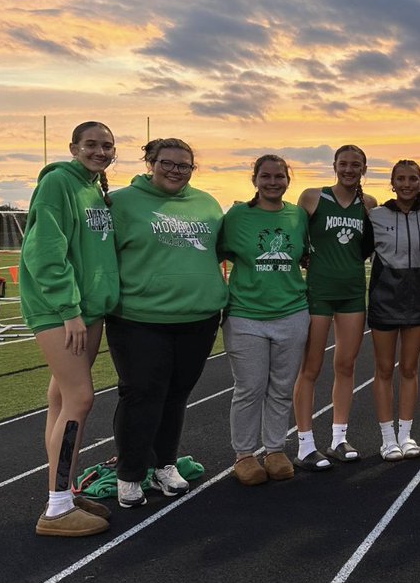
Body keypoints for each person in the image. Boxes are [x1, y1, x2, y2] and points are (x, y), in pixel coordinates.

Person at [107, 138, 226, 508]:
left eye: (183, 166)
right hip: (139, 319)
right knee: (142, 394)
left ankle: (165, 465)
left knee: (176, 395)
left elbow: (221, 250)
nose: (175, 171)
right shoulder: (121, 202)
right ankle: (129, 473)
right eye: (167, 163)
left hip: (198, 318)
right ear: (150, 162)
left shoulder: (207, 204)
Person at [22, 121, 119, 536]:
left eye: (107, 145)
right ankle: (57, 509)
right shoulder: (58, 183)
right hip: (62, 310)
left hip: (87, 307)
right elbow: (44, 250)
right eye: (92, 145)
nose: (100, 151)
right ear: (74, 147)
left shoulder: (93, 187)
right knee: (81, 398)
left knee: (61, 398)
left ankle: (63, 491)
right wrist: (68, 309)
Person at [219, 155, 310, 485]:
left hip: (292, 312)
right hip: (246, 315)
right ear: (254, 179)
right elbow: (219, 253)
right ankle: (244, 454)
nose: (273, 182)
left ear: (288, 179)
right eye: (266, 176)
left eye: (280, 177)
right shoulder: (238, 216)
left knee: (282, 388)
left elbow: (305, 255)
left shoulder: (298, 216)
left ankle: (274, 449)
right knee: (249, 388)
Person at [292, 145, 376, 471]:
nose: (350, 169)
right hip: (318, 293)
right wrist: (302, 257)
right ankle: (305, 443)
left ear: (363, 168)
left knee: (346, 365)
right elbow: (296, 239)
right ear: (335, 166)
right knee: (310, 367)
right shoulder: (313, 197)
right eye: (344, 164)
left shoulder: (368, 204)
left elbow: (368, 245)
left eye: (356, 165)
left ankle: (339, 437)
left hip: (354, 293)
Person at [367, 160, 420, 461]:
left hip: (419, 298)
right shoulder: (375, 215)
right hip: (385, 297)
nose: (407, 184)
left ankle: (406, 435)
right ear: (392, 183)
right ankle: (387, 439)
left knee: (409, 369)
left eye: (413, 178)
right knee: (384, 370)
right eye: (401, 179)